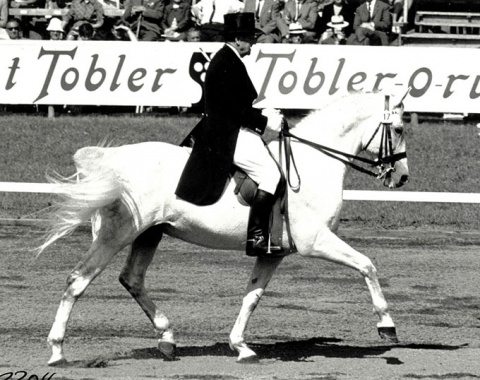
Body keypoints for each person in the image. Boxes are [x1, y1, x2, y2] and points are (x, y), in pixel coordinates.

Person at [175, 12, 285, 257]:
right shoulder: (227, 61)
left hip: (230, 127)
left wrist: (262, 113)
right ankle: (257, 237)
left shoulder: (229, 58)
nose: (253, 43)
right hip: (226, 133)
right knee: (270, 174)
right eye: (249, 38)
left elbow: (237, 104)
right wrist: (266, 121)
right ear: (237, 39)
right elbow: (233, 110)